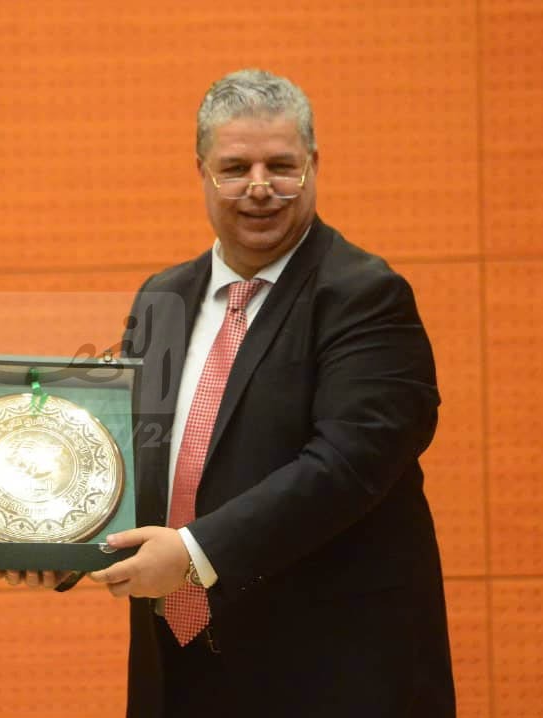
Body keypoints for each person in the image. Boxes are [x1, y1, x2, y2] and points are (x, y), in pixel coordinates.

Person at [84, 69, 457, 716]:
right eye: (235, 168)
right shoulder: (162, 298)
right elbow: (133, 448)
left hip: (329, 672)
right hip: (177, 670)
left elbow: (346, 466)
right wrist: (57, 535)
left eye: (282, 165)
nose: (260, 187)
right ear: (202, 171)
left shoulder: (364, 296)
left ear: (313, 165)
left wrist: (194, 554)